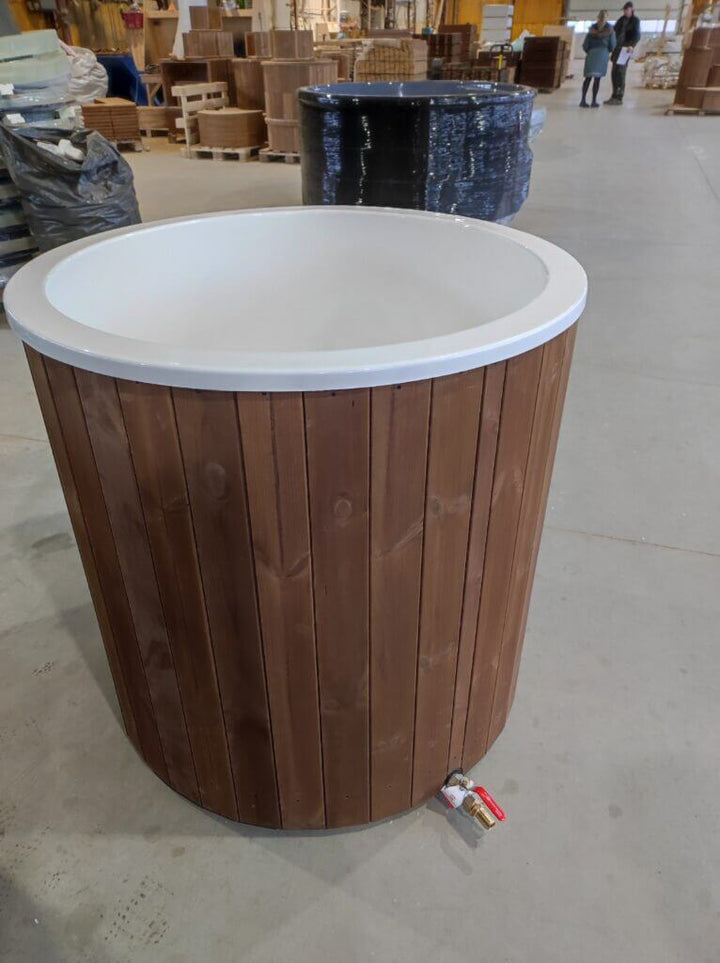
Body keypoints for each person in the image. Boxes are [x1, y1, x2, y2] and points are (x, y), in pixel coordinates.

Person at [606, 2, 641, 104]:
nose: (625, 12)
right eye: (624, 10)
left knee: (621, 72)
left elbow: (637, 35)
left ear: (632, 10)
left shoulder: (635, 21)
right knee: (614, 72)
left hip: (626, 49)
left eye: (627, 10)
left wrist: (632, 45)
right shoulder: (621, 20)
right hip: (617, 49)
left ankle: (619, 97)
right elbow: (613, 31)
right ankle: (614, 95)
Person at [581, 11, 616, 108]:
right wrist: (606, 51)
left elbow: (585, 45)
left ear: (598, 17)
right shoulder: (610, 31)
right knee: (597, 79)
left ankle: (583, 100)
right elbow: (612, 45)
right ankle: (593, 101)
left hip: (591, 54)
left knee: (588, 78)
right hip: (602, 54)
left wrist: (590, 51)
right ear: (606, 18)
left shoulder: (591, 30)